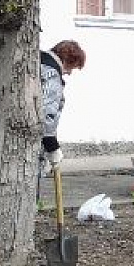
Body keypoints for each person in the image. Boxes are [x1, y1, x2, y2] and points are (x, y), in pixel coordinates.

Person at [40, 39, 86, 171]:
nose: (70, 73)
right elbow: (45, 111)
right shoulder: (52, 74)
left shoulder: (38, 62)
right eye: (72, 67)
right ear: (66, 60)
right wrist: (52, 147)